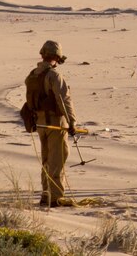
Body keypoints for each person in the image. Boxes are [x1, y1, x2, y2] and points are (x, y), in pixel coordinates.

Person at [24, 40, 78, 207]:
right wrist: (72, 122)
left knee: (47, 159)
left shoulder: (32, 75)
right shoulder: (54, 76)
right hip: (56, 123)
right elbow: (64, 101)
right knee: (58, 159)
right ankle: (55, 197)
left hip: (40, 124)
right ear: (56, 57)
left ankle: (45, 194)